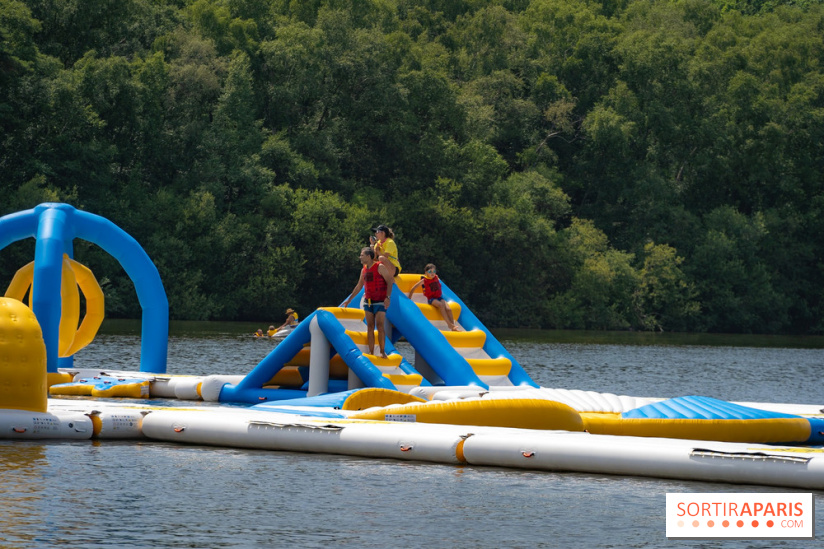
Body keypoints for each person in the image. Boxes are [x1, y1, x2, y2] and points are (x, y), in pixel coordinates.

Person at [342, 247, 394, 358]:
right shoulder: (363, 270)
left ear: (369, 256)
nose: (360, 257)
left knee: (380, 326)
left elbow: (390, 281)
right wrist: (349, 299)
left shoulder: (380, 267)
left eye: (362, 255)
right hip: (368, 301)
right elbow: (359, 286)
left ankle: (382, 351)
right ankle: (371, 352)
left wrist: (388, 297)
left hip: (380, 301)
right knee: (370, 327)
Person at [407, 263, 462, 331]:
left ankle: (453, 326)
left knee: (448, 309)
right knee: (441, 305)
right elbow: (413, 288)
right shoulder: (424, 281)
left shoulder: (436, 277)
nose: (432, 273)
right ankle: (449, 325)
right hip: (431, 299)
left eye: (434, 271)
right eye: (430, 271)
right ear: (426, 272)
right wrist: (409, 298)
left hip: (439, 297)